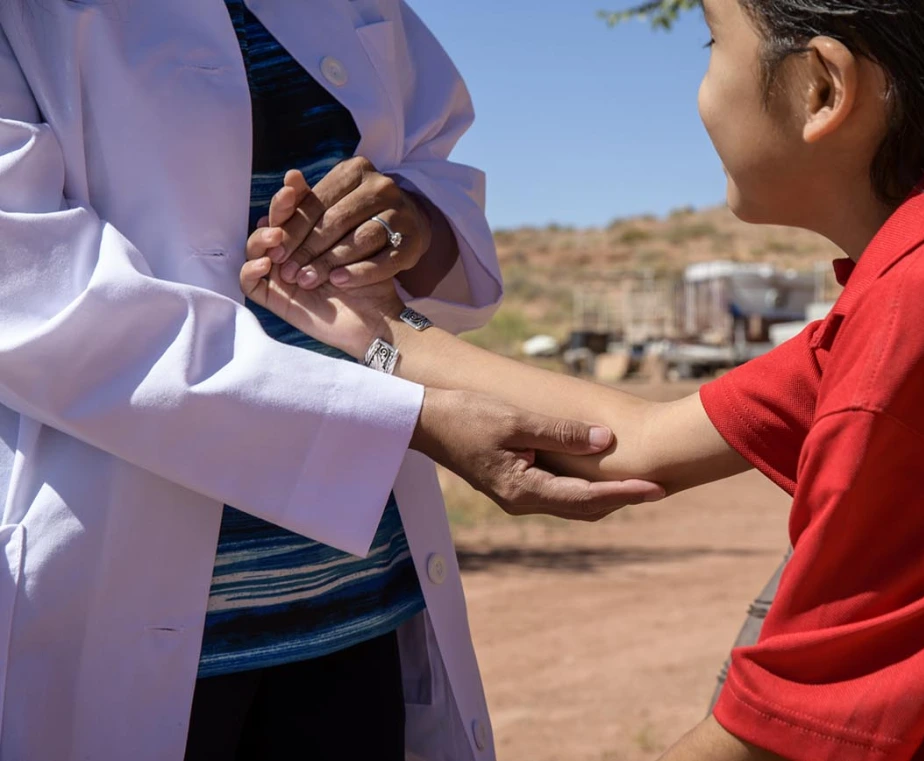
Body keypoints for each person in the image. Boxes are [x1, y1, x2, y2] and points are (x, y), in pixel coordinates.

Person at [243, 0, 924, 759]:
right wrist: (369, 329)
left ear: (823, 90)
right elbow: (635, 438)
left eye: (712, 44)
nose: (703, 89)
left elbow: (778, 737)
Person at [0, 2, 663, 759]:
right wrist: (404, 422)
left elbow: (432, 159)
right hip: (112, 620)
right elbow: (35, 300)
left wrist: (411, 221)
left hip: (355, 605)